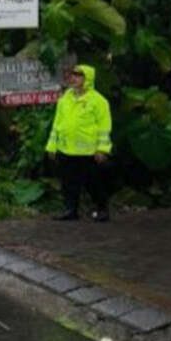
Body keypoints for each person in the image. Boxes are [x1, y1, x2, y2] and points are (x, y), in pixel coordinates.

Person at [47, 64, 112, 222]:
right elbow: (57, 124)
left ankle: (102, 209)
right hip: (66, 149)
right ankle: (70, 210)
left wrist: (102, 149)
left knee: (93, 183)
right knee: (68, 183)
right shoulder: (65, 99)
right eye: (73, 75)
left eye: (78, 75)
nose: (74, 78)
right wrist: (52, 146)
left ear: (87, 79)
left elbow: (104, 127)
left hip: (88, 151)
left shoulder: (98, 101)